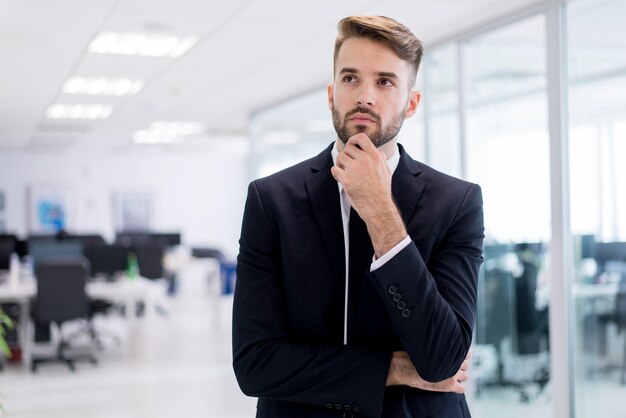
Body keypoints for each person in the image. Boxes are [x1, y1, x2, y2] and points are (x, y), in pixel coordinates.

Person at [233, 15, 484, 418]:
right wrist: (396, 367)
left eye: (385, 82)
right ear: (332, 93)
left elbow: (442, 359)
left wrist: (381, 212)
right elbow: (255, 364)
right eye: (350, 79)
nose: (364, 96)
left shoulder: (456, 202)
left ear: (411, 102)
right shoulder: (270, 200)